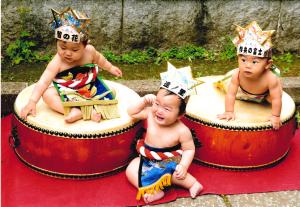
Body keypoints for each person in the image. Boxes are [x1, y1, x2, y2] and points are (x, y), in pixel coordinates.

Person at [20, 7, 122, 123]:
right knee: (48, 95)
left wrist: (110, 67)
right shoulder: (57, 62)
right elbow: (44, 81)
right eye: (63, 48)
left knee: (111, 92)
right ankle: (78, 111)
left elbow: (100, 60)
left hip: (88, 87)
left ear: (84, 47)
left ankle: (91, 111)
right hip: (66, 90)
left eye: (74, 50)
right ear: (57, 43)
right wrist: (32, 101)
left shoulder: (90, 51)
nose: (67, 53)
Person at [126, 63, 203, 204]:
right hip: (147, 160)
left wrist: (183, 166)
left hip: (169, 163)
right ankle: (152, 190)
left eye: (167, 109)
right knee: (131, 168)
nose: (159, 110)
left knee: (178, 175)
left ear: (180, 115)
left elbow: (189, 149)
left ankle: (194, 184)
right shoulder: (150, 114)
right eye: (157, 103)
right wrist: (143, 102)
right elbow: (131, 112)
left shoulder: (182, 130)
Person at [217, 21, 282, 130]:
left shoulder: (270, 79)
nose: (247, 65)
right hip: (242, 92)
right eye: (243, 60)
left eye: (254, 62)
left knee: (277, 95)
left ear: (268, 64)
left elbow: (276, 99)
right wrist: (229, 111)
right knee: (226, 86)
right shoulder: (237, 74)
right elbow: (231, 94)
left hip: (263, 95)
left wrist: (275, 116)